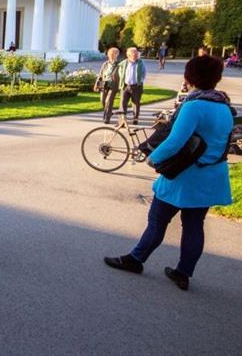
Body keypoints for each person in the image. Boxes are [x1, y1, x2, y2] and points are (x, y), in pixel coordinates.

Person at [104, 56, 233, 291]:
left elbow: (175, 141)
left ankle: (136, 259)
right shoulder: (223, 105)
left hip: (184, 175)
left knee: (157, 221)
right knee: (194, 225)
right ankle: (183, 272)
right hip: (210, 175)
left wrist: (153, 157)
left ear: (190, 76)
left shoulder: (194, 106)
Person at [118, 47, 146, 124]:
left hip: (136, 86)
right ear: (129, 55)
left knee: (136, 103)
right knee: (123, 103)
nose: (136, 55)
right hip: (125, 86)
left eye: (136, 54)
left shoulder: (140, 63)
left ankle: (135, 118)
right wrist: (123, 80)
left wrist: (140, 81)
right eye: (134, 54)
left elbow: (144, 73)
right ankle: (122, 120)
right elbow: (120, 72)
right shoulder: (124, 63)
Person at [95, 48, 120, 124]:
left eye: (114, 54)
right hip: (104, 84)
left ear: (117, 55)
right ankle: (109, 112)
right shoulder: (105, 64)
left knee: (108, 101)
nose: (112, 56)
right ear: (108, 55)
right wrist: (96, 84)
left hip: (114, 85)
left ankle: (106, 118)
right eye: (110, 54)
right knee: (102, 100)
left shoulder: (119, 64)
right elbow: (100, 74)